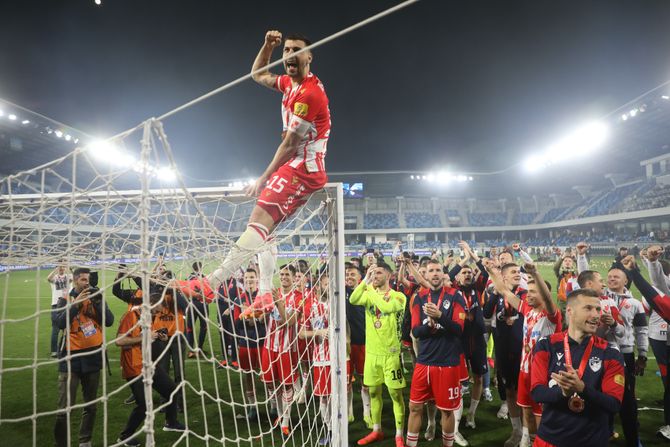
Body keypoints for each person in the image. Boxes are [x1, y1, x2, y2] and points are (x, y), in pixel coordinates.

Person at [208, 29, 331, 316]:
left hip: (302, 168)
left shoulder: (309, 94)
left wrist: (262, 179)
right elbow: (257, 74)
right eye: (286, 50)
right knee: (265, 231)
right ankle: (264, 293)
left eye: (296, 50)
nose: (289, 54)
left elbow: (290, 144)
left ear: (309, 56)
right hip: (295, 166)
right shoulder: (289, 83)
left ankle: (211, 283)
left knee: (258, 220)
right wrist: (267, 46)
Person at [530, 289, 625, 447]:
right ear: (570, 311)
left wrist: (582, 389)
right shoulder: (547, 345)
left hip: (592, 441)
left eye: (598, 309)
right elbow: (537, 392)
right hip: (549, 440)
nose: (596, 315)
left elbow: (614, 404)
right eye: (588, 308)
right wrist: (562, 392)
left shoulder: (610, 353)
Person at [485, 261, 561, 447]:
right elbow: (504, 291)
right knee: (526, 408)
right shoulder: (526, 309)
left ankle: (543, 442)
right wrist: (491, 272)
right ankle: (527, 440)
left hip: (543, 371)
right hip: (525, 368)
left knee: (540, 412)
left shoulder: (551, 315)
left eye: (534, 292)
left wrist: (534, 274)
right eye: (529, 291)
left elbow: (549, 301)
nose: (529, 295)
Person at [405, 258, 467, 447]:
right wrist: (429, 326)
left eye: (438, 270)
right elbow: (415, 331)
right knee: (415, 407)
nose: (434, 273)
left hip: (447, 363)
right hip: (424, 361)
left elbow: (459, 328)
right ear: (425, 274)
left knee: (446, 411)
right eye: (430, 270)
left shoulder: (456, 295)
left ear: (443, 274)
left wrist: (439, 317)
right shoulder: (419, 297)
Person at [53, 267, 114, 447]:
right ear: (75, 281)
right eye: (84, 280)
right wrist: (76, 304)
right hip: (70, 359)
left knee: (91, 405)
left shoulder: (96, 296)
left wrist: (97, 302)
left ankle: (85, 441)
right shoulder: (64, 299)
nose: (87, 283)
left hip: (93, 356)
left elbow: (109, 321)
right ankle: (61, 443)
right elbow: (58, 322)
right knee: (64, 408)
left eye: (88, 280)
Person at [116, 292, 185, 446]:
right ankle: (124, 437)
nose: (159, 312)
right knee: (143, 405)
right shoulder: (131, 316)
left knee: (172, 390)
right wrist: (145, 337)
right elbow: (120, 341)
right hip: (134, 367)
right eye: (157, 309)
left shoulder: (150, 316)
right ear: (151, 303)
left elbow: (150, 335)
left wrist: (160, 336)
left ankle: (171, 422)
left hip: (150, 364)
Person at [350, 263, 407, 447]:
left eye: (378, 272)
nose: (375, 275)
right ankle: (377, 430)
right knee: (373, 392)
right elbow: (353, 299)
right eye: (373, 272)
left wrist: (370, 290)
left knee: (395, 395)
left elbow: (386, 307)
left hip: (391, 355)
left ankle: (399, 435)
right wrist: (365, 280)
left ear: (389, 275)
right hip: (372, 354)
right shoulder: (368, 292)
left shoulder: (399, 296)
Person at [483, 262, 526, 447]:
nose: (517, 274)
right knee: (509, 390)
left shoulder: (525, 294)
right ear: (504, 276)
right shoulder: (497, 294)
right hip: (503, 349)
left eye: (518, 271)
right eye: (513, 272)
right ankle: (516, 431)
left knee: (524, 394)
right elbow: (485, 314)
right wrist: (495, 291)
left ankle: (527, 434)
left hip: (522, 350)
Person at [605, 266, 647, 447]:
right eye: (609, 277)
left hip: (626, 353)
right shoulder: (601, 298)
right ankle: (605, 430)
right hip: (604, 351)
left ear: (625, 281)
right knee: (602, 392)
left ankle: (633, 435)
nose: (611, 279)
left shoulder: (636, 304)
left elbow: (641, 331)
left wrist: (643, 354)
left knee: (627, 396)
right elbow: (586, 280)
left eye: (616, 277)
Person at [261, 264, 303, 435]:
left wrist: (278, 303)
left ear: (294, 278)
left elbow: (289, 322)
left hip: (287, 348)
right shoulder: (273, 294)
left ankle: (285, 421)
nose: (284, 277)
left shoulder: (299, 297)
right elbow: (265, 318)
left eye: (288, 274)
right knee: (270, 384)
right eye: (282, 274)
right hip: (269, 346)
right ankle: (280, 414)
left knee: (286, 385)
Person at [300, 267, 333, 445]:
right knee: (323, 397)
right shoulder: (311, 307)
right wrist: (319, 331)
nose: (328, 287)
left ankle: (339, 430)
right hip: (320, 358)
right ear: (319, 285)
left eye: (331, 284)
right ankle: (328, 430)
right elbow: (302, 334)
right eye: (326, 283)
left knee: (338, 396)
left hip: (339, 359)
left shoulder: (338, 306)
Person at [233, 267, 266, 421]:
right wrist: (245, 319)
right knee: (248, 376)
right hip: (245, 343)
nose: (249, 280)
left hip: (262, 342)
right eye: (247, 278)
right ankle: (253, 408)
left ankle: (273, 407)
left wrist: (259, 319)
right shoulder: (239, 300)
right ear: (243, 280)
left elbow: (270, 320)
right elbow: (235, 324)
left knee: (267, 376)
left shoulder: (263, 297)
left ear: (257, 278)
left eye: (252, 277)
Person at [345, 263, 371, 426]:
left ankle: (366, 412)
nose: (349, 277)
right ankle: (349, 412)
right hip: (346, 345)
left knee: (365, 382)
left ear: (360, 277)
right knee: (346, 382)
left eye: (352, 274)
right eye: (347, 274)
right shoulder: (340, 292)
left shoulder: (366, 292)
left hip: (363, 343)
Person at [185, 262, 212, 358]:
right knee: (203, 327)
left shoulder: (188, 279)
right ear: (201, 268)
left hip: (191, 304)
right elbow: (209, 292)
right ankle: (199, 348)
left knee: (190, 327)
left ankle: (191, 350)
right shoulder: (204, 278)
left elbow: (185, 292)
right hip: (202, 305)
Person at [48, 262, 72, 358]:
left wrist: (67, 268)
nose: (61, 268)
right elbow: (48, 278)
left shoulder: (68, 276)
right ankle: (54, 351)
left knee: (68, 328)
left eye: (63, 266)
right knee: (56, 328)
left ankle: (66, 348)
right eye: (60, 267)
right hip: (56, 305)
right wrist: (56, 269)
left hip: (67, 304)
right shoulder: (55, 278)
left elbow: (74, 277)